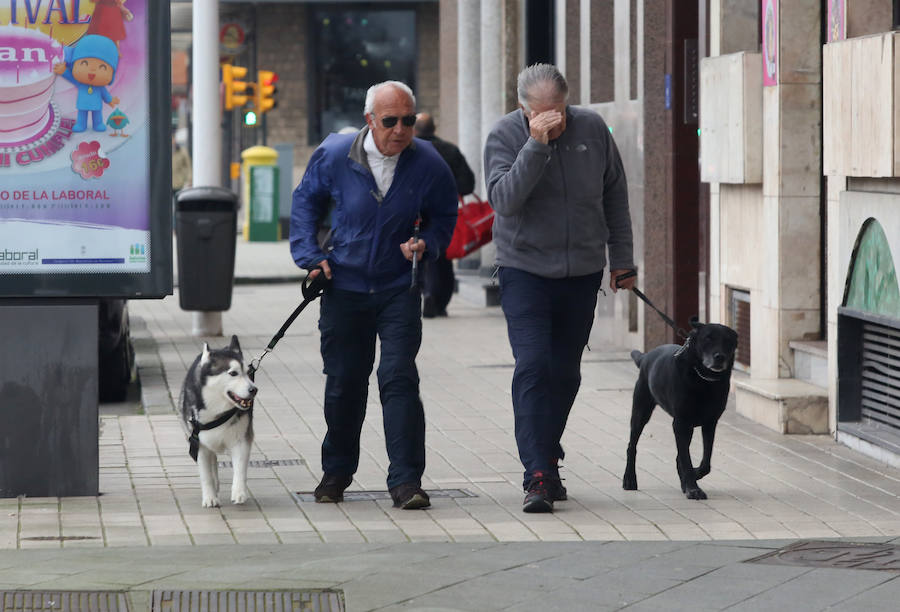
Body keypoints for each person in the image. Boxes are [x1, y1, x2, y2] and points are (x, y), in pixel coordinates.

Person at [290, 81, 458, 510]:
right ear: (370, 121)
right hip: (343, 286)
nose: (401, 130)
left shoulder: (429, 162)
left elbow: (444, 215)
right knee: (345, 382)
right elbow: (305, 203)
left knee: (398, 378)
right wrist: (311, 257)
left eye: (408, 120)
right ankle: (337, 472)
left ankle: (406, 482)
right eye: (390, 121)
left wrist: (428, 245)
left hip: (398, 287)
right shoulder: (334, 154)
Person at [483, 63, 637, 513]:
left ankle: (546, 455)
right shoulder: (505, 136)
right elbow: (504, 200)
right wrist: (536, 144)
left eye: (559, 111)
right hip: (524, 269)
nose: (554, 120)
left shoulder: (591, 128)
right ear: (522, 108)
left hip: (581, 272)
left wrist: (623, 261)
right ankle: (537, 473)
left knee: (565, 373)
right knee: (533, 365)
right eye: (541, 113)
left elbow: (615, 195)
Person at [414, 112, 476, 318]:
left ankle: (426, 292)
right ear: (434, 128)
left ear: (414, 129)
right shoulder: (449, 150)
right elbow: (468, 183)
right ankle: (438, 299)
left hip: (414, 213)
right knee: (441, 258)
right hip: (443, 213)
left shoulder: (409, 150)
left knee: (416, 254)